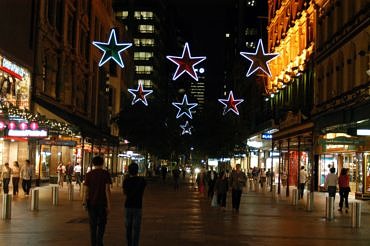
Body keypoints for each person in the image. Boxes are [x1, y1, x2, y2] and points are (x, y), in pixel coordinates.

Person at [83, 156, 112, 246]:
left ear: (93, 163)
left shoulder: (89, 174)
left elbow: (86, 190)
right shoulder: (106, 174)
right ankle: (100, 241)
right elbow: (107, 190)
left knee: (93, 225)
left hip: (91, 203)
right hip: (102, 203)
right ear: (102, 163)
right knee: (102, 223)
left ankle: (93, 243)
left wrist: (84, 202)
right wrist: (109, 204)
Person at [123, 162, 146, 246]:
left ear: (129, 171)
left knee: (128, 227)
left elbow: (125, 193)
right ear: (137, 170)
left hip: (128, 205)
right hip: (138, 205)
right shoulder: (142, 181)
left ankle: (129, 243)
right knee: (136, 228)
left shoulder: (126, 181)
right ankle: (135, 244)